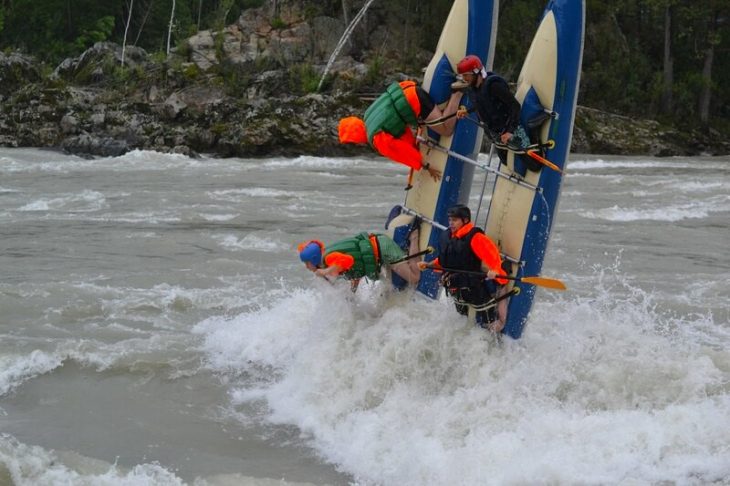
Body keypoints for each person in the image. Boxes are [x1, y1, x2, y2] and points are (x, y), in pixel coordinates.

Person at [338, 80, 464, 181]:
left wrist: (425, 166)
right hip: (410, 89)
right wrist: (414, 142)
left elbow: (403, 151)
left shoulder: (377, 139)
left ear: (356, 138)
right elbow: (402, 131)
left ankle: (457, 93)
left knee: (446, 130)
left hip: (417, 102)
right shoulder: (368, 116)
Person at [418, 204, 509, 331]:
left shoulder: (475, 238)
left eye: (454, 220)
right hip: (456, 290)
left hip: (473, 288)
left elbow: (493, 256)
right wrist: (429, 264)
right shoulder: (448, 237)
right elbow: (447, 260)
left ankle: (495, 339)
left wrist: (495, 272)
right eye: (450, 220)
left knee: (492, 325)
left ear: (465, 220)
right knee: (462, 321)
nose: (451, 223)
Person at [298, 224, 422, 293]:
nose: (306, 267)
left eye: (307, 263)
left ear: (314, 259)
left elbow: (347, 261)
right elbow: (356, 266)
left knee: (414, 279)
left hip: (384, 249)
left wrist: (324, 272)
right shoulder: (327, 259)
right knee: (388, 291)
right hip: (378, 251)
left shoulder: (329, 259)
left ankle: (413, 236)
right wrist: (353, 291)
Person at [455, 55, 530, 150]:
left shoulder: (494, 86)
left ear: (475, 72)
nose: (464, 78)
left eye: (466, 75)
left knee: (527, 162)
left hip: (512, 132)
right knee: (506, 162)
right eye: (462, 75)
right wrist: (467, 111)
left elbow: (515, 106)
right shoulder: (473, 89)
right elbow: (483, 104)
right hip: (496, 135)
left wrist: (510, 131)